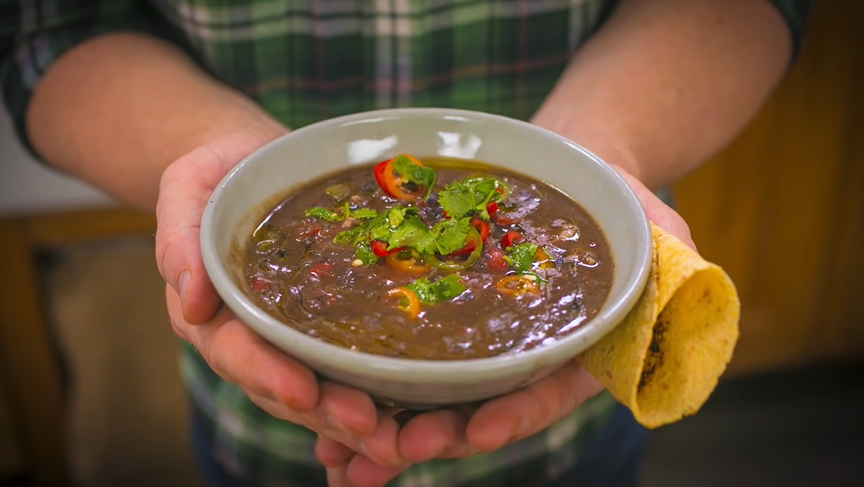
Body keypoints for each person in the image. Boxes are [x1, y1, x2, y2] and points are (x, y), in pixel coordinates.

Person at [0, 0, 811, 485]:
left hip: (573, 433)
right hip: (268, 433)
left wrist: (602, 151)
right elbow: (48, 23)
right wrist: (215, 144)